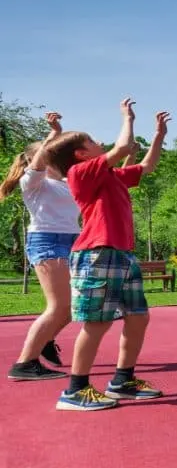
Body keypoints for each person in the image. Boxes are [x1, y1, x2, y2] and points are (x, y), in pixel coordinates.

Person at [44, 98, 170, 411]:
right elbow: (124, 148)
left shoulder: (110, 176)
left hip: (122, 254)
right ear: (80, 154)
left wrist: (158, 136)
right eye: (91, 140)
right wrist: (127, 117)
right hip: (97, 253)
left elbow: (146, 167)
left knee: (138, 318)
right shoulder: (80, 174)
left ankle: (123, 380)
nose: (98, 141)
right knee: (97, 323)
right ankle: (75, 390)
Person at [2, 112, 75, 381]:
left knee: (71, 307)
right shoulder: (32, 183)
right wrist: (54, 134)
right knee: (57, 307)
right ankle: (25, 363)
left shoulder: (66, 183)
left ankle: (44, 339)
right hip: (47, 240)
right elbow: (41, 159)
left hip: (72, 241)